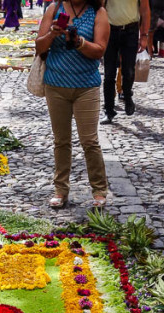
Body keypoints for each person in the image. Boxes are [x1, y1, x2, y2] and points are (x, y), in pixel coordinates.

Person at [35, 0, 109, 208]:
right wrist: (51, 34)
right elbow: (39, 46)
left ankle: (99, 191)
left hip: (86, 86)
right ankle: (60, 189)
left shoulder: (98, 12)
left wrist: (78, 42)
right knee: (61, 141)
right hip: (56, 85)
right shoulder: (54, 8)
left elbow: (99, 50)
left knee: (89, 141)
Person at [99, 0, 149, 122]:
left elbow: (145, 9)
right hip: (110, 30)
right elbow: (100, 6)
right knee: (109, 73)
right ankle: (109, 110)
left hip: (130, 30)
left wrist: (144, 35)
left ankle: (127, 96)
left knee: (129, 71)